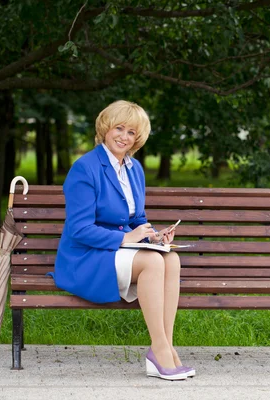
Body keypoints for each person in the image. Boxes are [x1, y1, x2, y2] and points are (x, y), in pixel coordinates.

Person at [51, 100, 194, 381]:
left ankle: (165, 346)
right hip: (87, 256)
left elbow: (137, 217)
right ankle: (161, 351)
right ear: (105, 128)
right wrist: (126, 237)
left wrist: (153, 234)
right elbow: (79, 229)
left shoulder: (134, 169)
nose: (124, 137)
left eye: (131, 132)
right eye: (119, 128)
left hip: (119, 250)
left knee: (171, 258)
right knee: (153, 262)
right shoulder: (85, 168)